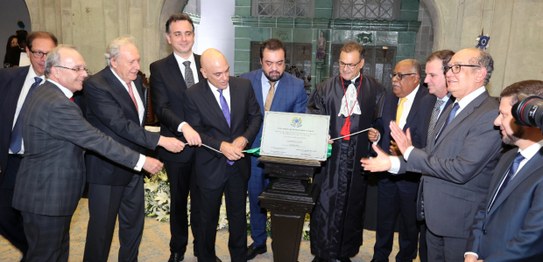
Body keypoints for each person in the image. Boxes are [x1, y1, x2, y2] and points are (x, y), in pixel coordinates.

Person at [11, 44, 164, 262]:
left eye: (84, 68)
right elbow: (95, 139)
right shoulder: (58, 104)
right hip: (46, 196)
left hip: (49, 194)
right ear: (56, 71)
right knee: (45, 255)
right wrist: (142, 161)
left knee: (56, 252)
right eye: (77, 69)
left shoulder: (49, 93)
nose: (84, 74)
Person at [361, 48, 502, 261]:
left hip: (459, 223)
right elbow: (432, 154)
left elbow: (461, 169)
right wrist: (392, 163)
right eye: (448, 69)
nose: (449, 74)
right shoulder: (452, 107)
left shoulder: (489, 113)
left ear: (480, 74)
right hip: (435, 218)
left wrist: (408, 151)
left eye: (456, 68)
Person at [81, 36, 185, 262]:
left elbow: (137, 123)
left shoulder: (136, 81)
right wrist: (160, 140)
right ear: (113, 62)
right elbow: (120, 125)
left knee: (133, 227)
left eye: (138, 60)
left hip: (134, 167)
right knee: (101, 233)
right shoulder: (96, 84)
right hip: (106, 170)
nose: (138, 67)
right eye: (131, 62)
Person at [307, 41, 385, 261]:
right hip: (330, 162)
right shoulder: (324, 88)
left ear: (361, 63)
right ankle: (322, 253)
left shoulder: (375, 89)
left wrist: (376, 134)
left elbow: (381, 121)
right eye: (342, 64)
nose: (345, 69)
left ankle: (344, 253)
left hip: (357, 161)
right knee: (324, 208)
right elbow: (313, 117)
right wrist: (320, 134)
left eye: (351, 65)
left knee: (353, 208)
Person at [184, 48, 262, 262]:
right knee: (207, 218)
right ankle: (206, 257)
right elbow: (195, 130)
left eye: (226, 71)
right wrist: (221, 146)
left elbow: (255, 117)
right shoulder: (193, 94)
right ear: (204, 73)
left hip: (239, 165)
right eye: (218, 74)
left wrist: (244, 138)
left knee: (237, 216)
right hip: (210, 165)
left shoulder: (243, 86)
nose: (224, 77)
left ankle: (238, 256)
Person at [239, 38, 308, 260]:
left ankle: (281, 243)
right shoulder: (244, 81)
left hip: (282, 159)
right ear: (260, 61)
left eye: (279, 63)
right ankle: (259, 242)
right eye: (269, 63)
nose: (274, 68)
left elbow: (300, 122)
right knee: (256, 198)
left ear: (285, 62)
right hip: (253, 155)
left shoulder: (296, 86)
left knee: (281, 204)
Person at [464, 80, 543, 262]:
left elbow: (534, 239)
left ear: (528, 118)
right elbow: (486, 208)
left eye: (503, 114)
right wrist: (472, 252)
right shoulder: (508, 157)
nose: (496, 121)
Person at [149, 13, 203, 262]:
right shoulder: (159, 68)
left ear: (194, 35)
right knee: (179, 203)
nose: (184, 39)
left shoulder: (206, 63)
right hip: (176, 147)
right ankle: (177, 249)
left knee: (204, 203)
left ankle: (204, 249)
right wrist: (184, 127)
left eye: (188, 33)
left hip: (206, 149)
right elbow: (161, 108)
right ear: (168, 38)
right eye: (178, 34)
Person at [0, 31, 58, 260]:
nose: (44, 58)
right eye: (38, 53)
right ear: (27, 51)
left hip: (40, 166)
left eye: (49, 53)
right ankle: (35, 252)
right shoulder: (7, 78)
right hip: (10, 161)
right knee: (3, 215)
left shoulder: (62, 84)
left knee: (33, 219)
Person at [371, 59, 434, 262]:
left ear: (416, 79)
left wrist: (407, 149)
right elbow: (381, 125)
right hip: (387, 171)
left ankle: (405, 258)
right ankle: (380, 257)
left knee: (409, 224)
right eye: (393, 75)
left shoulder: (429, 100)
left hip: (411, 175)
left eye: (400, 76)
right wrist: (377, 135)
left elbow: (429, 138)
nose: (395, 80)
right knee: (384, 221)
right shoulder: (389, 98)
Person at [417, 49, 455, 262]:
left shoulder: (459, 108)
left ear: (449, 74)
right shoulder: (426, 102)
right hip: (425, 191)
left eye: (432, 75)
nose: (425, 80)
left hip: (449, 201)